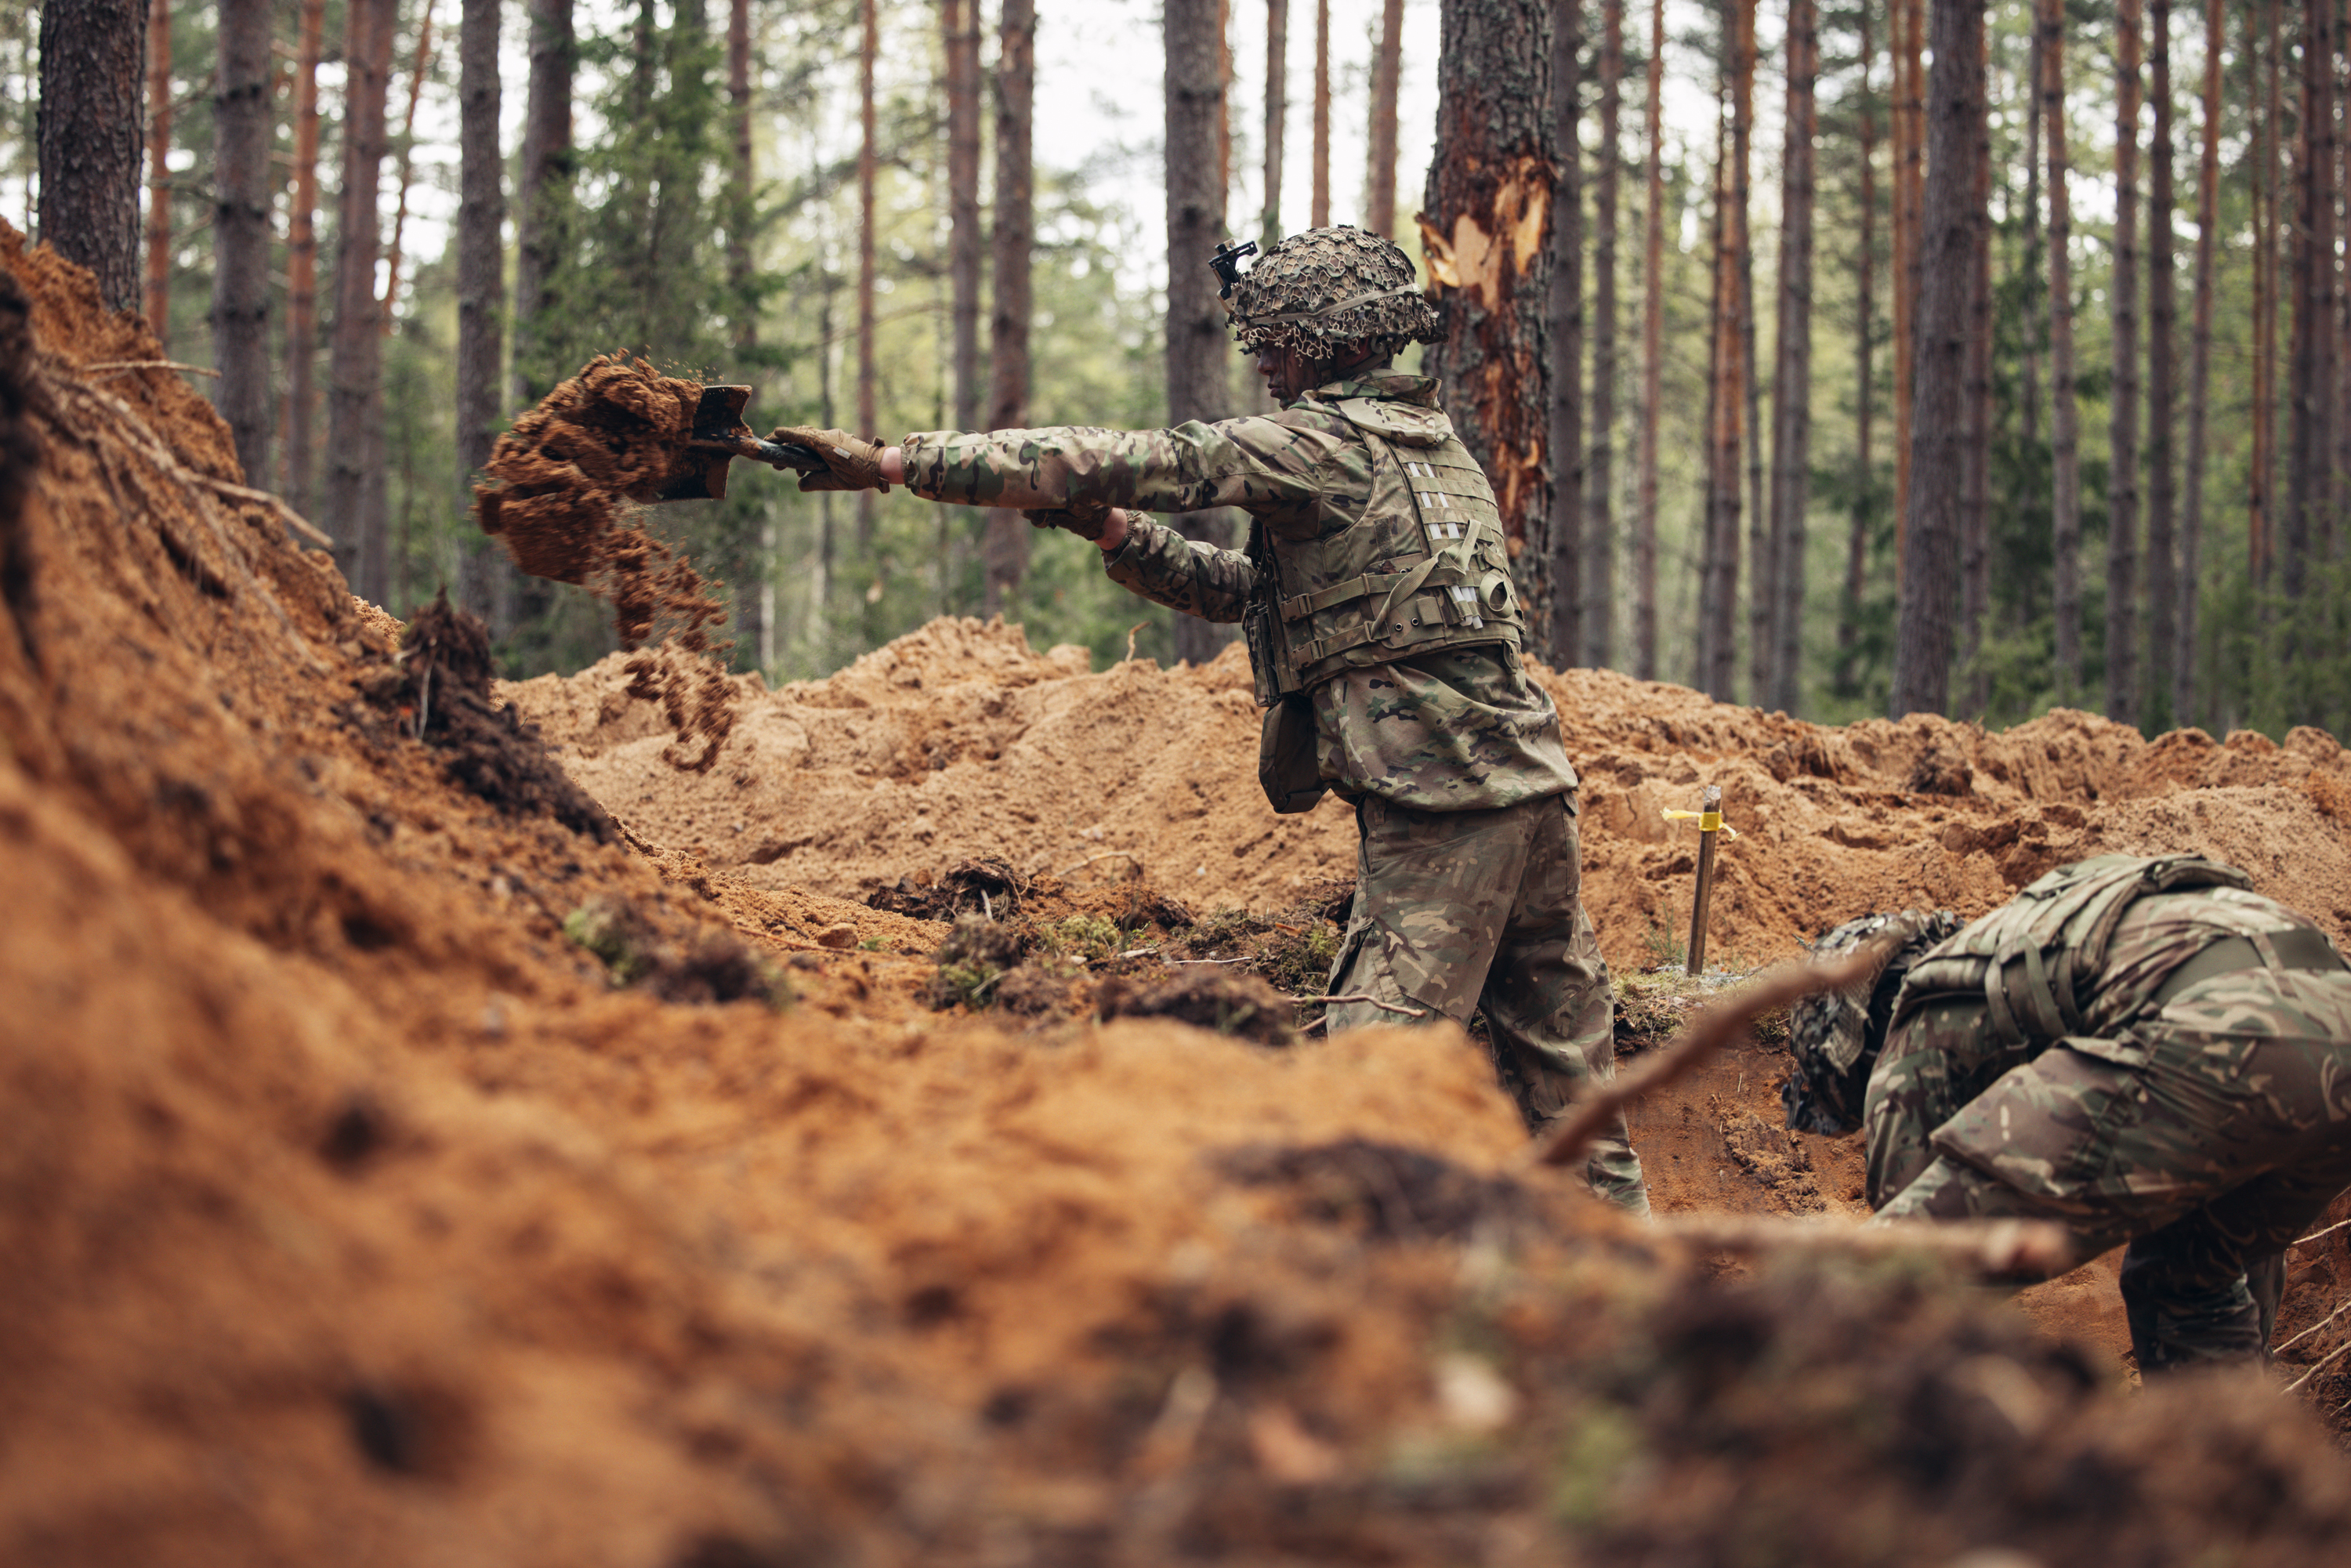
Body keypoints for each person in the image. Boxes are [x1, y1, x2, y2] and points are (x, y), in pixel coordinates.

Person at [773, 226, 1647, 1215]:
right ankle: (1645, 1300)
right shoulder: (1435, 451)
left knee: (1361, 1088)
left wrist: (892, 463)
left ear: (1325, 343)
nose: (1261, 360)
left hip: (1446, 811)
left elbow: (1124, 455)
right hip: (1531, 795)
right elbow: (1268, 598)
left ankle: (1336, 1318)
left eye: (1274, 339)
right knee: (1573, 1093)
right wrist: (1114, 534)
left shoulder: (1320, 445)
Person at [1782, 853, 2351, 1373]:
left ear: (1860, 1045)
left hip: (2211, 1035)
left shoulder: (1919, 1006)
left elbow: (1923, 1255)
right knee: (2190, 1282)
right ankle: (2232, 1471)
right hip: (2332, 1020)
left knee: (1874, 1284)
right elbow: (2248, 1174)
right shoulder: (2025, 941)